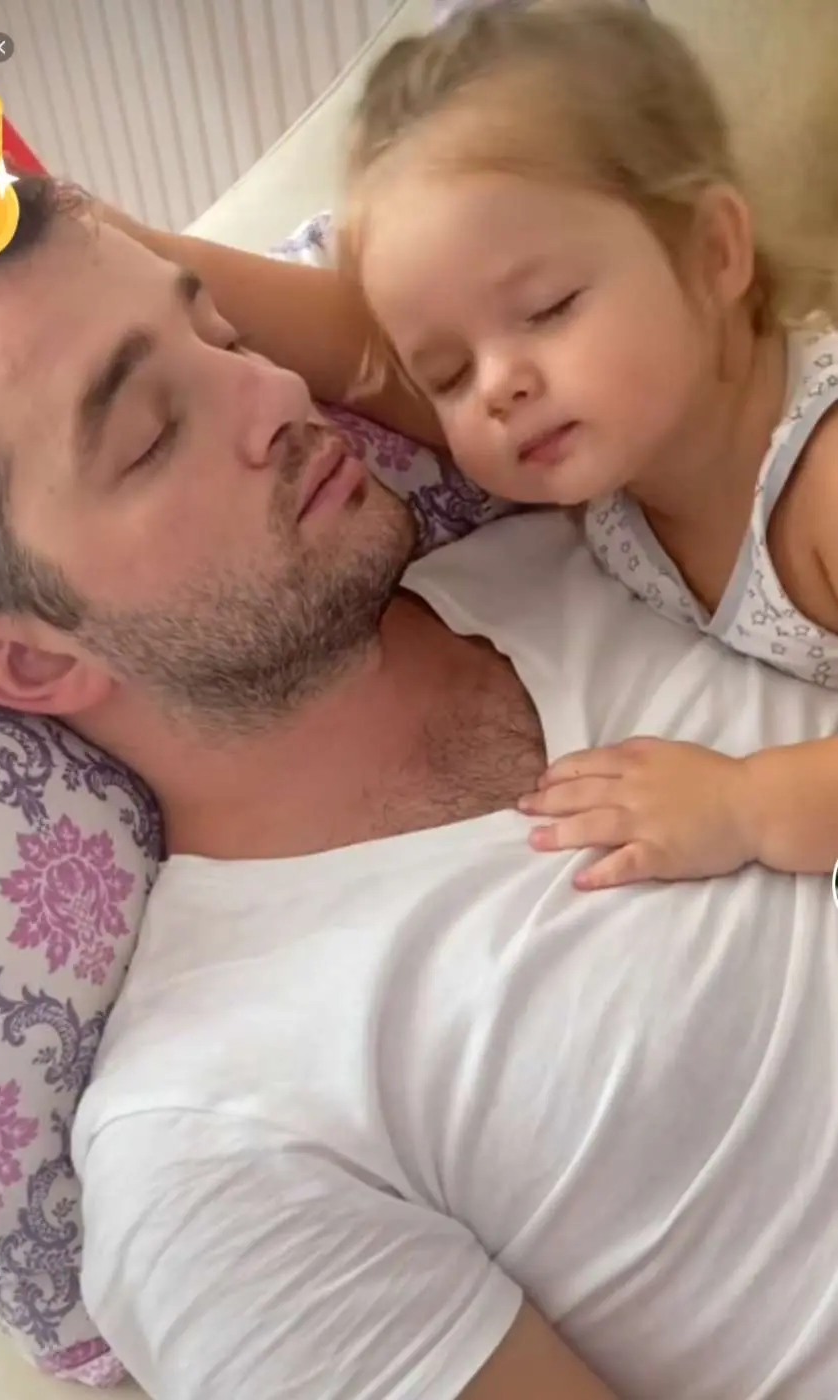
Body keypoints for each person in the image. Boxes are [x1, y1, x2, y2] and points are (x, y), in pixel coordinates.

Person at [0, 174, 838, 1400]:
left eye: (221, 333)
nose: (275, 392)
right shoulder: (214, 1142)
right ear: (33, 663)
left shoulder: (615, 526)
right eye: (151, 434)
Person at [317, 0, 838, 892]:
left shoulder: (821, 476)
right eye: (447, 374)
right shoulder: (612, 478)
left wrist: (745, 803)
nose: (497, 387)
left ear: (713, 253)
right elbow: (354, 366)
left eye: (548, 308)